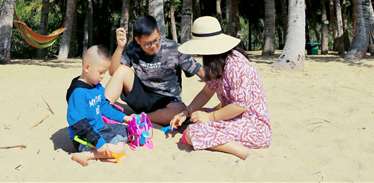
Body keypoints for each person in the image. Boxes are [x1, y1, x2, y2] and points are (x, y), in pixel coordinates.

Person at [169, 16, 271, 160]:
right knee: (196, 116)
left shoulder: (236, 65)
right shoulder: (219, 62)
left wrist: (210, 117)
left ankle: (244, 152)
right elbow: (206, 92)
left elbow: (240, 106)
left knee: (193, 134)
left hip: (254, 126)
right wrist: (186, 112)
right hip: (234, 117)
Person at [105, 15, 205, 126]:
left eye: (156, 41)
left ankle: (140, 118)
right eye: (147, 44)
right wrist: (120, 47)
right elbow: (113, 72)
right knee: (122, 70)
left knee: (180, 111)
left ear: (158, 31)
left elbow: (202, 72)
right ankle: (102, 109)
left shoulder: (174, 49)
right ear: (138, 40)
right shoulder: (133, 50)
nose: (153, 46)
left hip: (167, 101)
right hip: (142, 97)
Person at [66, 45, 134, 166]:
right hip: (84, 137)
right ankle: (84, 155)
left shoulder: (97, 87)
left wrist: (124, 118)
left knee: (130, 131)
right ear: (87, 67)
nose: (103, 76)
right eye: (101, 72)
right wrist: (97, 141)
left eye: (105, 73)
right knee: (120, 147)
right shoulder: (78, 92)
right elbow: (79, 123)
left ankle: (109, 143)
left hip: (101, 127)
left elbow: (105, 108)